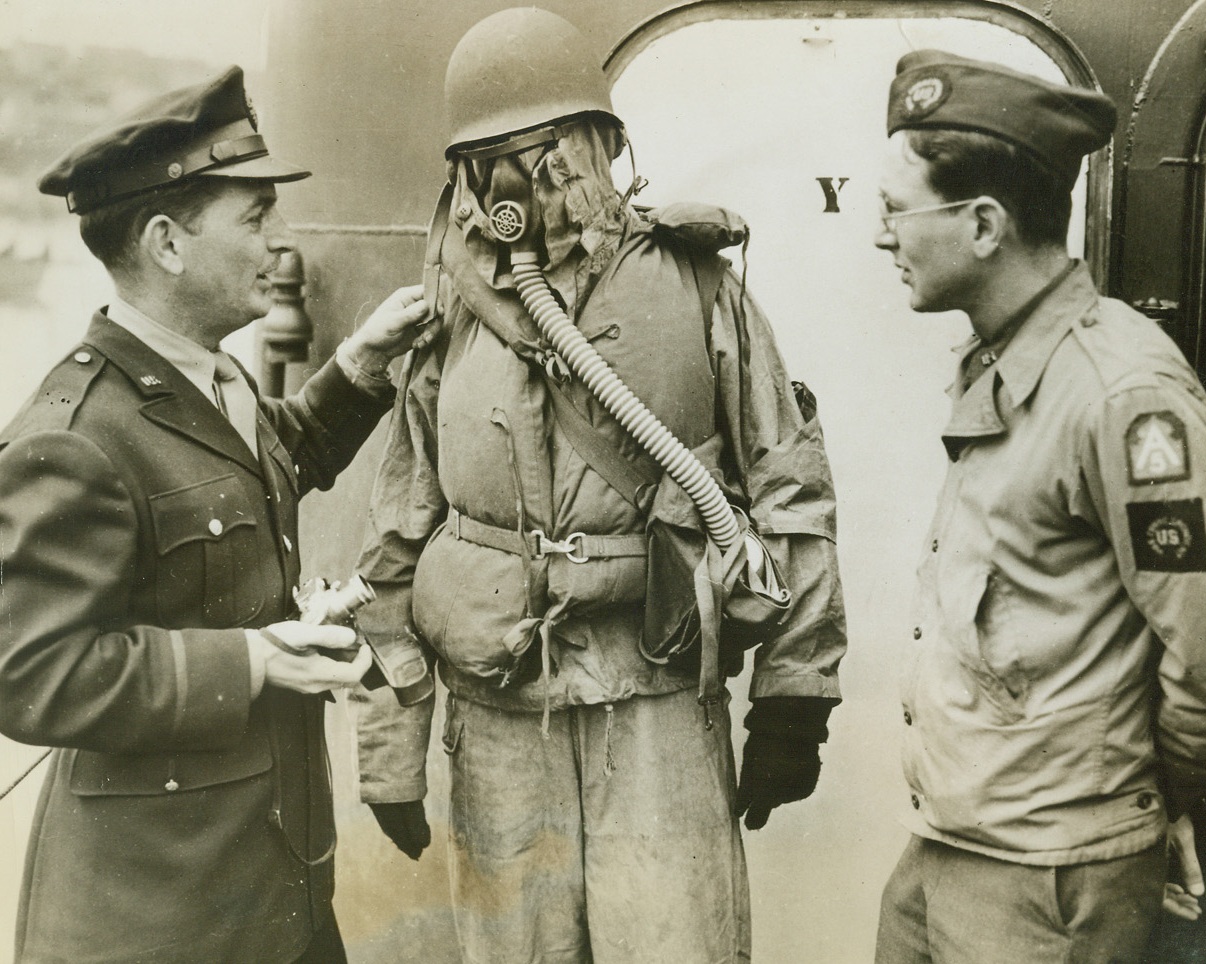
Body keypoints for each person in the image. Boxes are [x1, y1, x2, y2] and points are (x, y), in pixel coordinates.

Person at [350, 8, 847, 963]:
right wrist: (390, 748)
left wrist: (795, 697)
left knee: (675, 946)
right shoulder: (455, 306)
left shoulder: (697, 288)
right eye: (489, 160)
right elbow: (401, 520)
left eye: (541, 152)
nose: (517, 182)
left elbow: (791, 485)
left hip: (655, 701)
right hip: (499, 711)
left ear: (599, 146)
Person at [0, 66, 430, 963]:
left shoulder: (207, 373)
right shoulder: (75, 437)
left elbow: (258, 469)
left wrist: (358, 367)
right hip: (159, 921)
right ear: (167, 243)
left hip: (279, 894)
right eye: (256, 216)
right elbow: (31, 673)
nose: (282, 240)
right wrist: (254, 659)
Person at [872, 50, 1206, 964]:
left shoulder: (1122, 394)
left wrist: (1155, 798)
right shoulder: (1003, 361)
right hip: (955, 840)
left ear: (983, 224)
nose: (881, 238)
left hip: (1052, 877)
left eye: (894, 211)